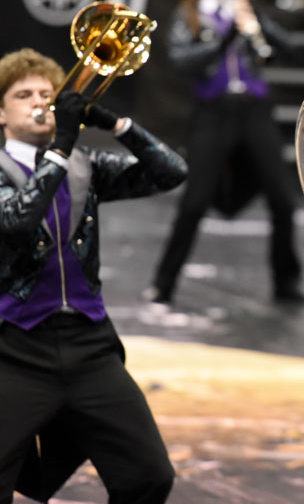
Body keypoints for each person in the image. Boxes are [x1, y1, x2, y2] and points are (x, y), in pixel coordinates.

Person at [0, 48, 187, 503]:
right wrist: (62, 144)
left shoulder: (85, 164)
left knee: (149, 476)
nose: (40, 101)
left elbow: (170, 172)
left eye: (48, 93)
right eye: (24, 95)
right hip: (15, 350)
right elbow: (19, 220)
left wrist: (113, 122)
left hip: (90, 346)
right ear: (1, 113)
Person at [147, 0, 304, 306]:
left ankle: (287, 282)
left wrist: (256, 23)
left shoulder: (242, 9)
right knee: (194, 202)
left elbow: (285, 47)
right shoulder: (188, 16)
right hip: (213, 112)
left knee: (282, 199)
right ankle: (163, 282)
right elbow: (185, 61)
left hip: (253, 108)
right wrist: (227, 35)